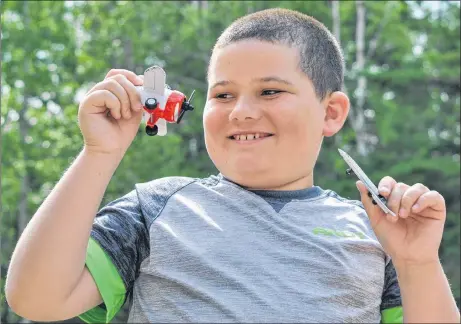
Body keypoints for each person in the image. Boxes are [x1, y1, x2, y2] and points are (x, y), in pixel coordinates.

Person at [5, 8, 460, 324]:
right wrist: (98, 155)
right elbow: (37, 297)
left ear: (331, 113)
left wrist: (416, 262)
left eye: (269, 91)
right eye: (223, 95)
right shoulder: (158, 207)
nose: (240, 111)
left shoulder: (376, 231)